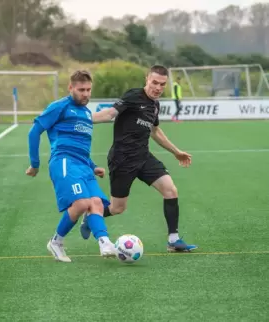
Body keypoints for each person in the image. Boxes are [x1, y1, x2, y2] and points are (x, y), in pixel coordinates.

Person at [80, 65, 197, 253]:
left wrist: (176, 151)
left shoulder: (155, 105)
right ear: (147, 80)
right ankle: (91, 215)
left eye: (162, 84)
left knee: (170, 190)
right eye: (154, 83)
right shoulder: (133, 96)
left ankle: (173, 241)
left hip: (143, 157)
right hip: (122, 159)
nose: (158, 88)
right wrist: (80, 118)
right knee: (118, 208)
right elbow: (110, 114)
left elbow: (155, 131)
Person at [26, 70, 116, 263]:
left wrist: (92, 166)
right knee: (82, 203)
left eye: (89, 90)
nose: (86, 94)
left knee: (98, 203)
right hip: (64, 161)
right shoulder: (60, 107)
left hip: (83, 165)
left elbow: (80, 145)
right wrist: (34, 164)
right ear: (71, 88)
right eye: (81, 89)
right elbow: (34, 132)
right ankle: (56, 242)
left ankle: (105, 242)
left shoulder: (85, 112)